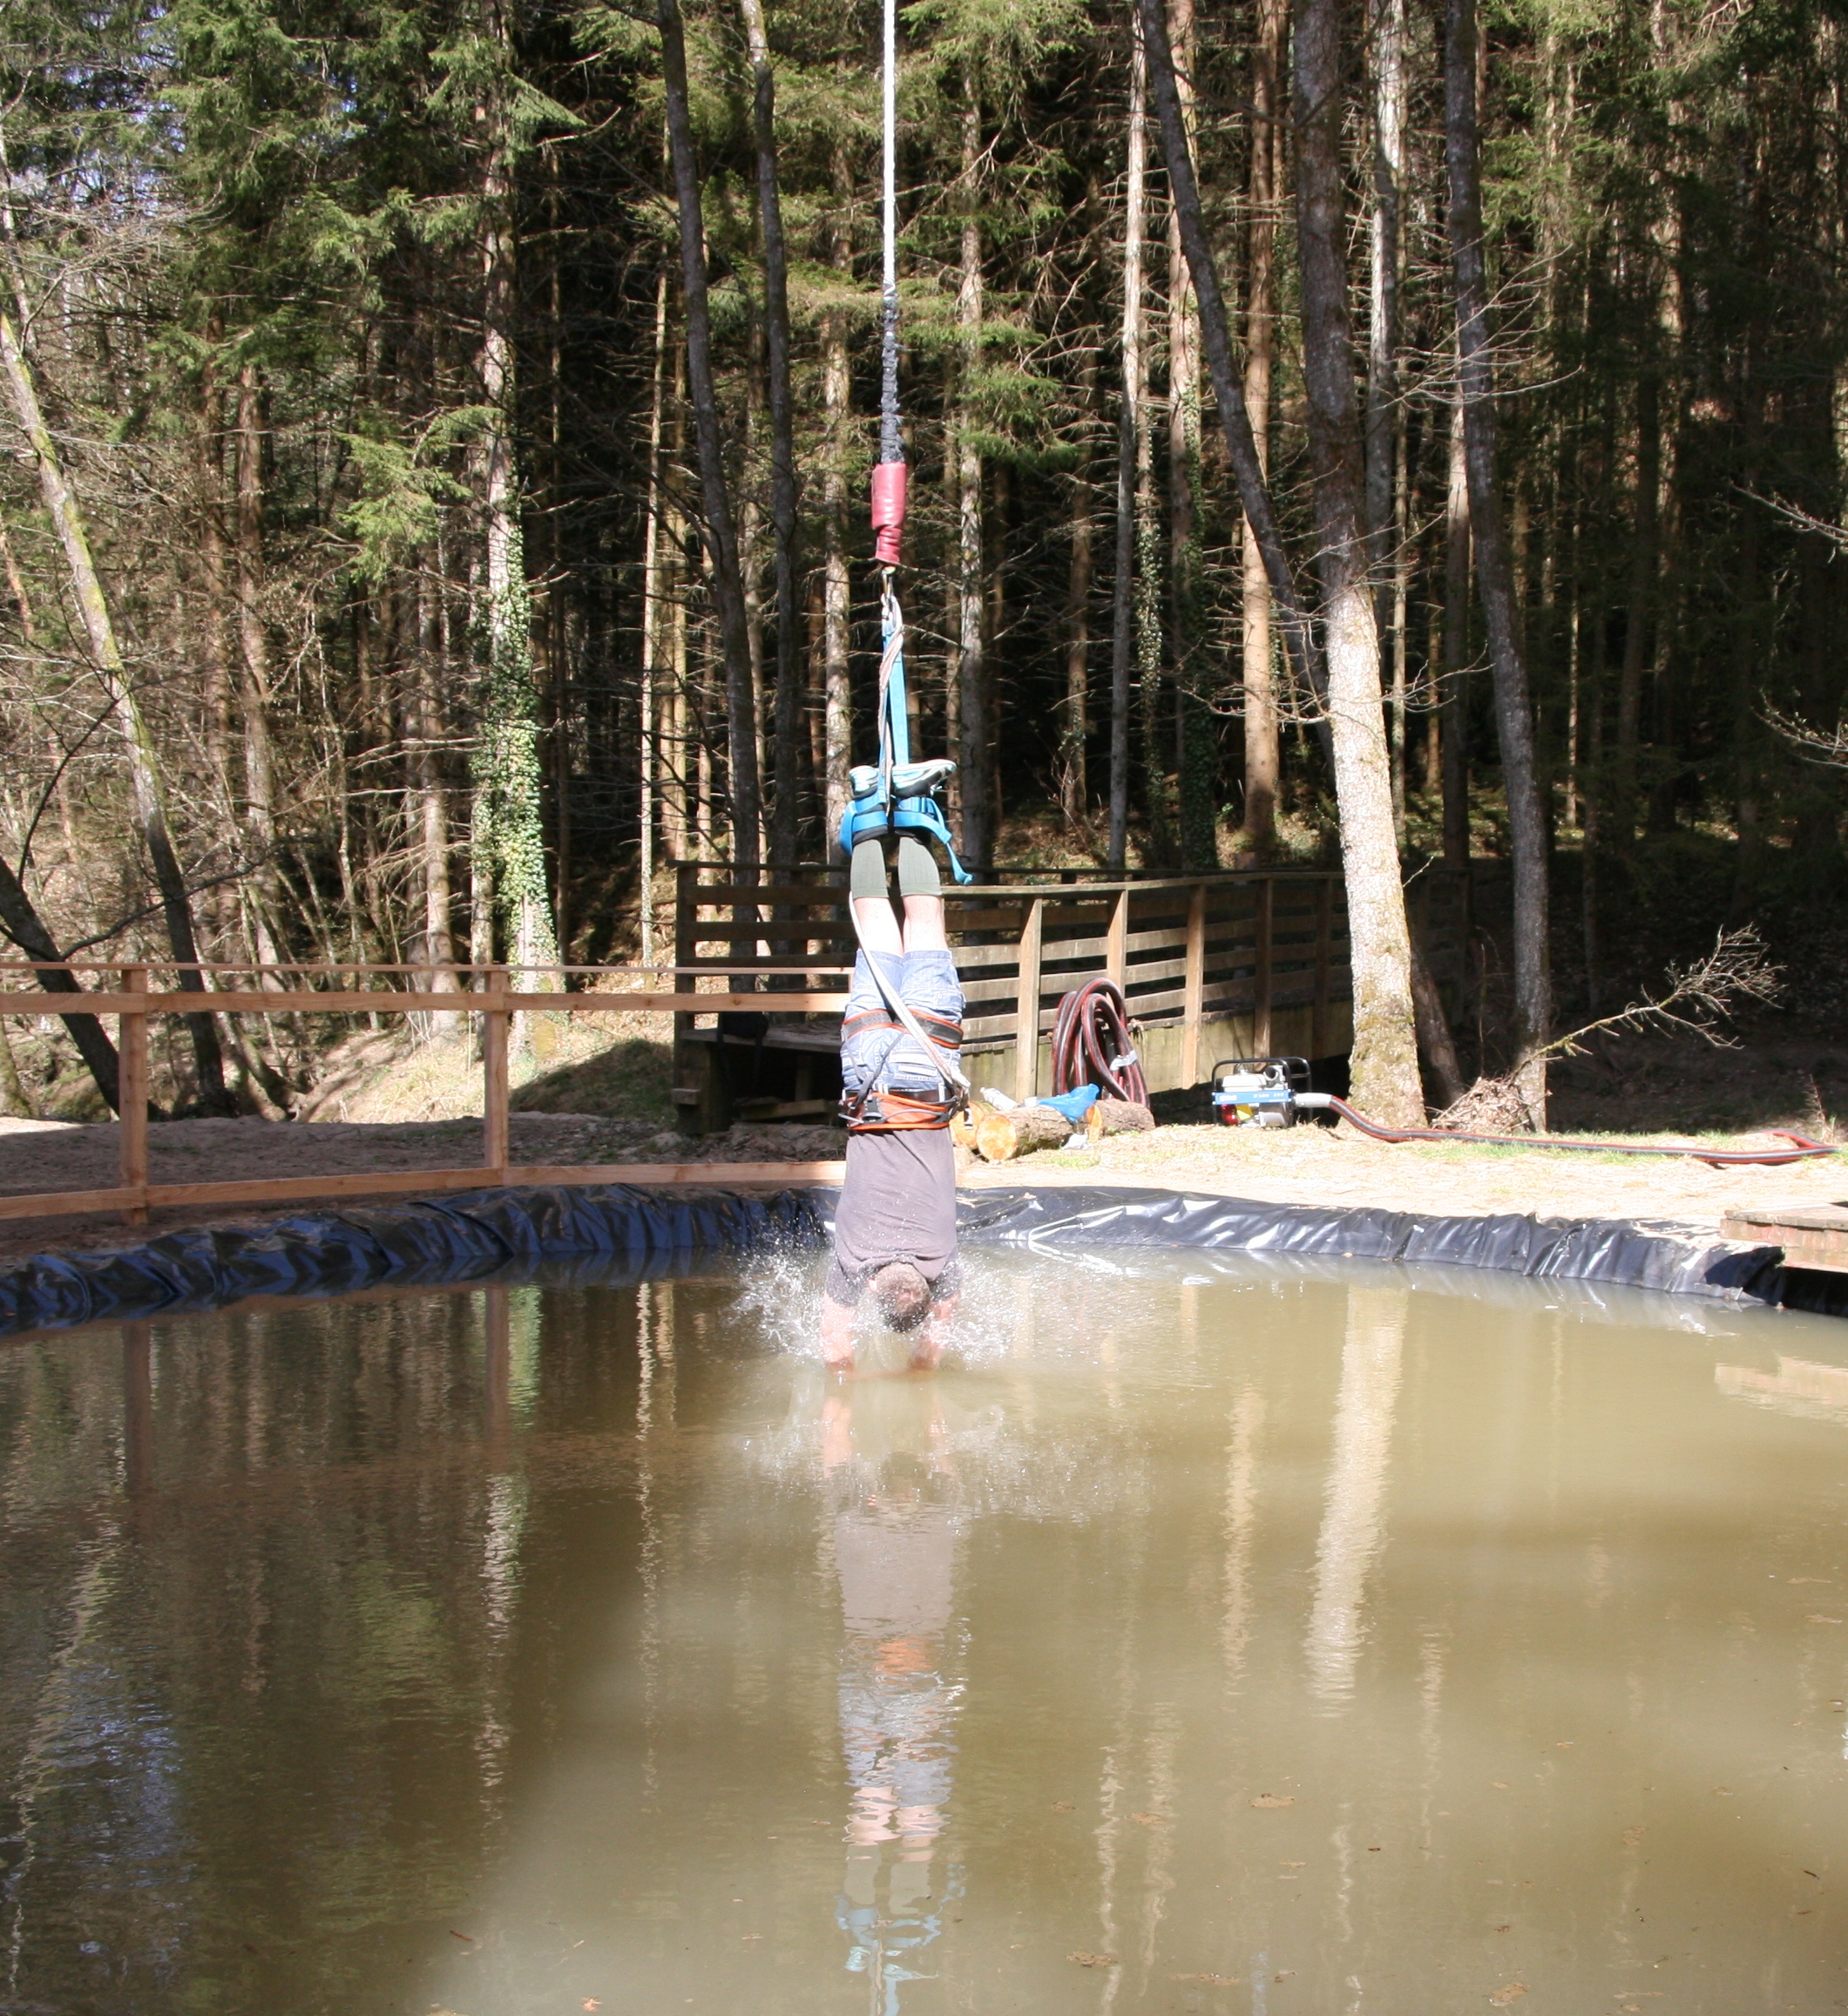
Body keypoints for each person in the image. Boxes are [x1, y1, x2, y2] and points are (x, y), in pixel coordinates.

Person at [822, 833, 964, 1376]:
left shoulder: (942, 1263)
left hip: (926, 1071)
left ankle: (913, 826)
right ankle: (864, 834)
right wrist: (844, 1388)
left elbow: (944, 1316)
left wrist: (923, 1368)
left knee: (924, 929)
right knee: (877, 941)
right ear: (871, 1290)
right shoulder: (853, 1260)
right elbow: (834, 1340)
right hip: (868, 1077)